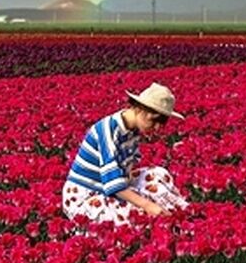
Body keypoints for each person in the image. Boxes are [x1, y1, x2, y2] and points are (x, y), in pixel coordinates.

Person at [63, 82, 188, 225]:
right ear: (140, 108)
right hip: (87, 195)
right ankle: (166, 216)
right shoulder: (108, 130)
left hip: (111, 185)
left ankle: (175, 210)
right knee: (137, 212)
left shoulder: (132, 130)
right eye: (154, 120)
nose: (157, 127)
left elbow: (126, 169)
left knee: (158, 173)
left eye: (162, 122)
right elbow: (113, 184)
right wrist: (147, 205)